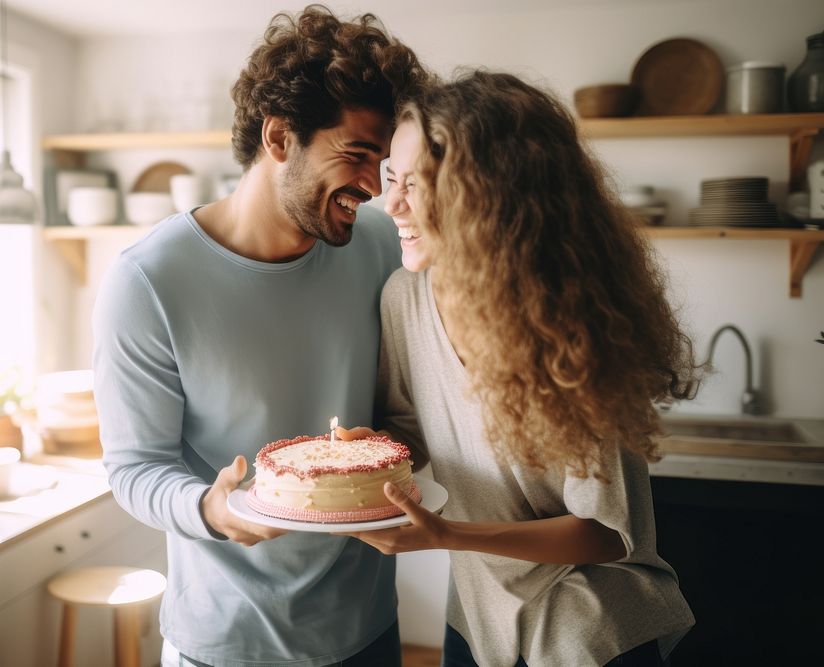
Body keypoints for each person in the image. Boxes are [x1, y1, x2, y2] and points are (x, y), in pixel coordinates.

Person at [91, 5, 428, 666]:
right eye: (358, 154)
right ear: (279, 138)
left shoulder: (384, 247)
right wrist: (210, 508)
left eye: (383, 162)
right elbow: (134, 468)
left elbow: (403, 414)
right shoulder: (148, 282)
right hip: (224, 640)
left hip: (364, 627)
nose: (374, 186)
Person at [339, 71, 702, 666]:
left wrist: (446, 533)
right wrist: (371, 452)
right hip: (478, 610)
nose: (392, 203)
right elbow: (411, 423)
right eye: (389, 178)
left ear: (488, 195)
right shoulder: (403, 298)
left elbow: (606, 534)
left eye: (419, 184)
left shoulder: (571, 331)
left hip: (585, 625)